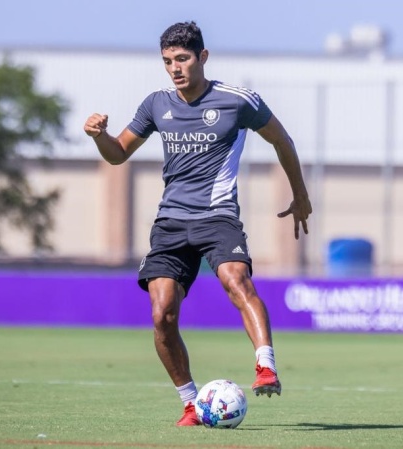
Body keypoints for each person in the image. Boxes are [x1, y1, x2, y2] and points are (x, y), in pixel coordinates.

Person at [84, 21, 312, 427]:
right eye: (168, 61)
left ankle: (265, 365)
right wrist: (99, 136)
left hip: (218, 216)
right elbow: (118, 154)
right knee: (161, 314)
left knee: (235, 280)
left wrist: (301, 195)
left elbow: (283, 141)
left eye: (183, 59)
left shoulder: (238, 101)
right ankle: (191, 401)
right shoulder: (155, 104)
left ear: (202, 57)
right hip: (170, 223)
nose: (175, 68)